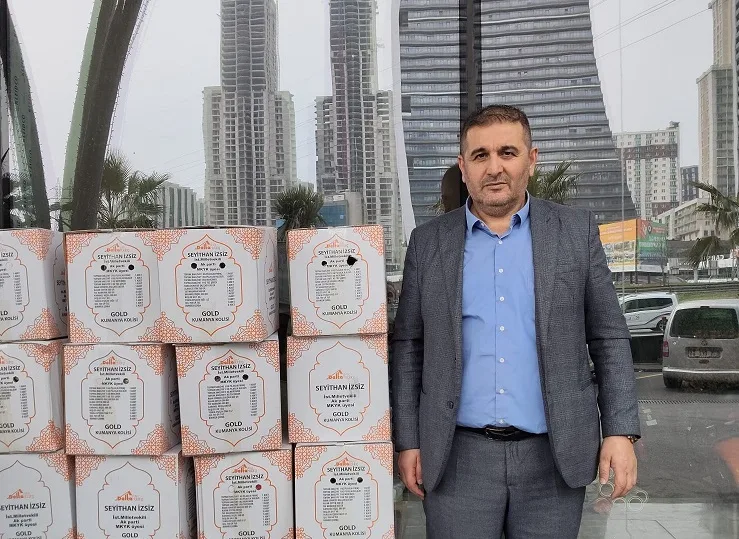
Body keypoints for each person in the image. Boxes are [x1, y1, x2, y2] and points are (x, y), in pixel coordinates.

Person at [391, 104, 640, 539]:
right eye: (480, 155)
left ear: (531, 159)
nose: (494, 167)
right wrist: (408, 439)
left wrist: (620, 431)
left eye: (507, 152)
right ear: (463, 166)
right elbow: (409, 346)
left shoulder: (575, 232)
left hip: (554, 458)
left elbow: (609, 337)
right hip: (455, 458)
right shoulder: (428, 243)